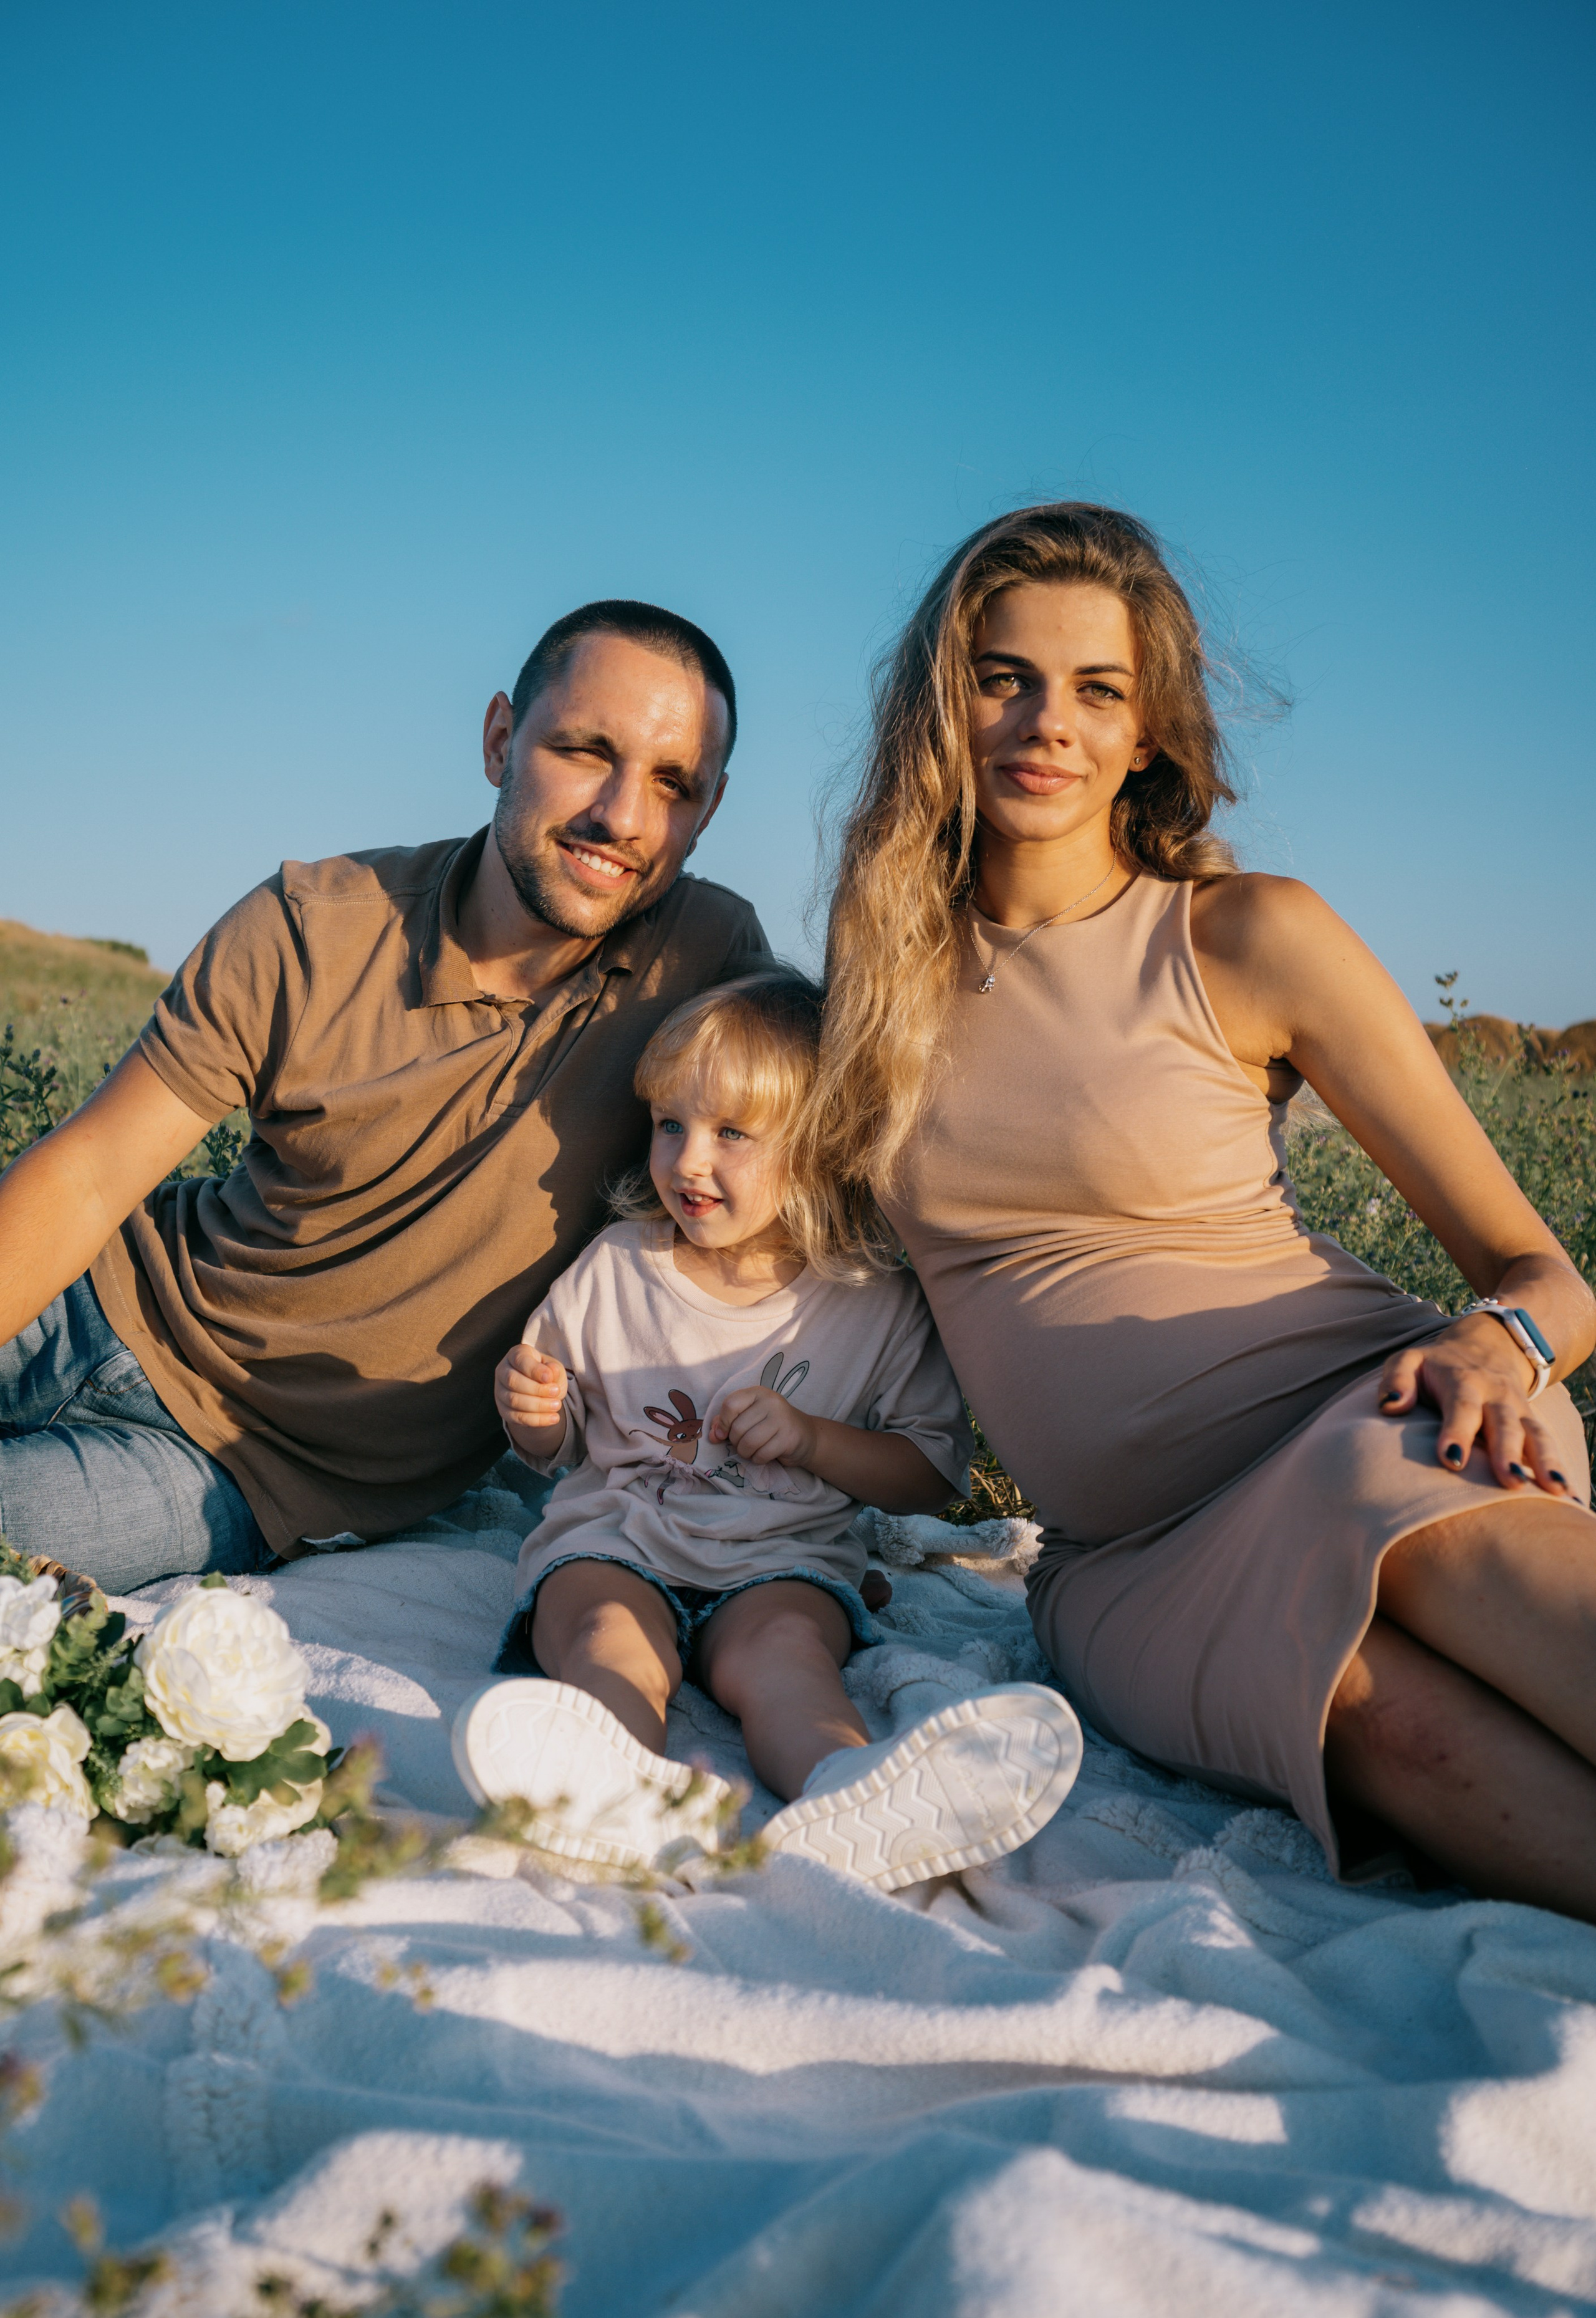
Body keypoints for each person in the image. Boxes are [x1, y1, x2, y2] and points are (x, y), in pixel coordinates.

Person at [812, 501, 1596, 1920]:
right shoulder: (877, 983)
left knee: (1409, 1537)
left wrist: (1497, 1347)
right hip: (1121, 1569)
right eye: (1003, 676)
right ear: (941, 703)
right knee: (1375, 1722)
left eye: (1095, 689)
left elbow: (1542, 1268)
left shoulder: (1240, 935)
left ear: (1147, 731)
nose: (1045, 723)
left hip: (1360, 1418)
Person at [0, 600, 771, 1591]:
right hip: (93, 1299)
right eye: (586, 750)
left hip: (240, 1473)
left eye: (673, 785)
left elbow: (837, 1170)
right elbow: (90, 1175)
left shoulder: (712, 973)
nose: (621, 817)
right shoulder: (312, 926)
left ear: (707, 811)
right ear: (501, 739)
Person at [452, 971, 1083, 1886]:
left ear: (822, 1148)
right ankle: (616, 1794)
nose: (686, 1161)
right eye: (671, 1123)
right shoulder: (620, 1264)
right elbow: (566, 1439)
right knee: (606, 1639)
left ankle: (851, 1792)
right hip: (619, 1536)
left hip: (780, 1561)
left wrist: (815, 1440)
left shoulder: (872, 1302)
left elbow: (928, 1474)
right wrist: (536, 1414)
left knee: (787, 1662)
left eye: (730, 1134)